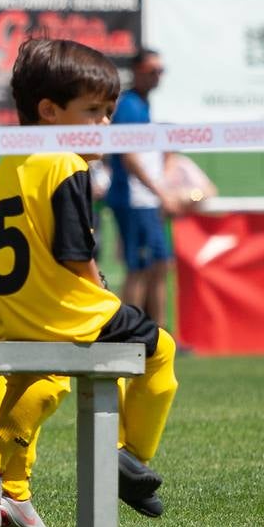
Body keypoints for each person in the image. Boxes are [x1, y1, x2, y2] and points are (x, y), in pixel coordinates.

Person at [0, 38, 179, 527]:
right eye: (93, 112)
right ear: (49, 111)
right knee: (161, 350)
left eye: (109, 113)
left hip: (11, 310)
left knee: (43, 377)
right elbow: (73, 251)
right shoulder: (67, 164)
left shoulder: (9, 163)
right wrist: (97, 287)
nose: (105, 125)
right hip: (59, 309)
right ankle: (128, 456)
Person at [104, 48, 176, 325]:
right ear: (136, 72)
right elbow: (129, 156)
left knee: (160, 266)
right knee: (138, 268)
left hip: (148, 199)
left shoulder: (144, 106)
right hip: (134, 199)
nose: (157, 76)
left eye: (160, 70)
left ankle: (159, 333)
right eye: (151, 71)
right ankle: (129, 332)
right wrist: (161, 193)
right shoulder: (129, 106)